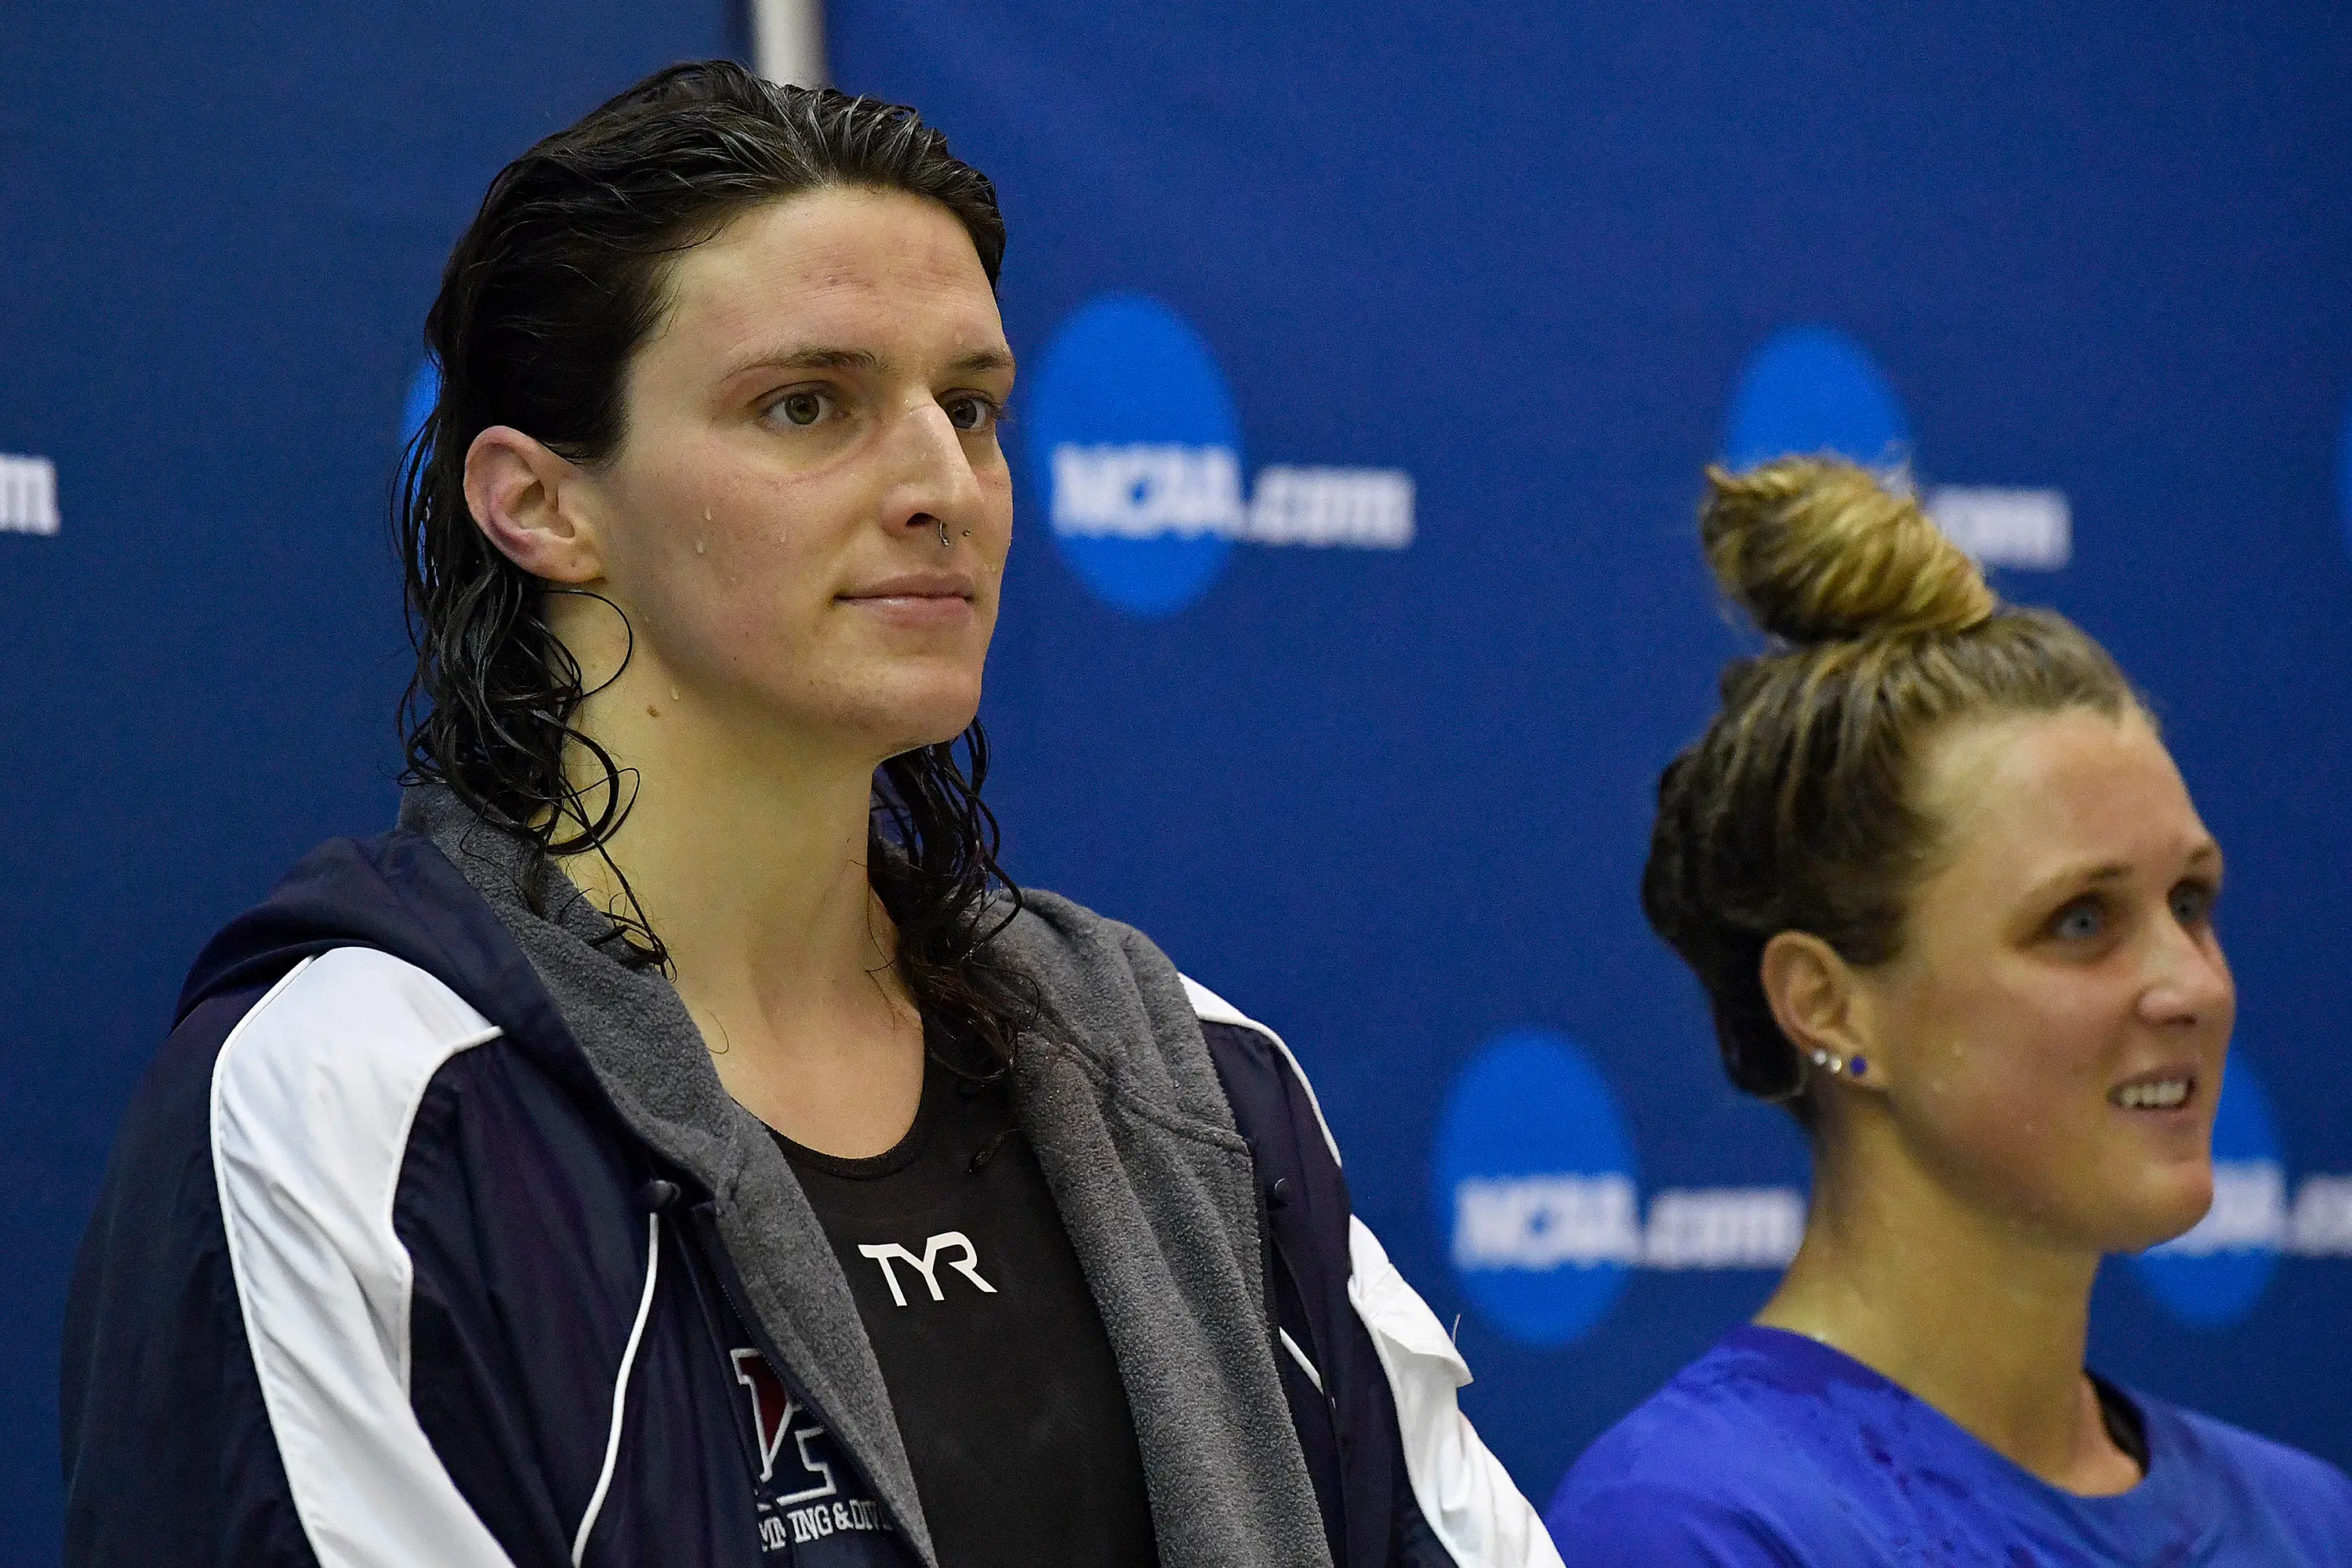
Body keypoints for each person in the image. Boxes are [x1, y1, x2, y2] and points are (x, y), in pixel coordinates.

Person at [60, 62, 1559, 1568]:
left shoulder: (1192, 1079)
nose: (940, 485)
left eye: (970, 409)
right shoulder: (359, 1109)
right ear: (539, 504)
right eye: (806, 404)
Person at [1544, 456, 2352, 1563]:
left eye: (2192, 901)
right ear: (1828, 1007)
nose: (2195, 985)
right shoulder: (1696, 1526)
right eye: (2080, 921)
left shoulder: (2307, 1519)